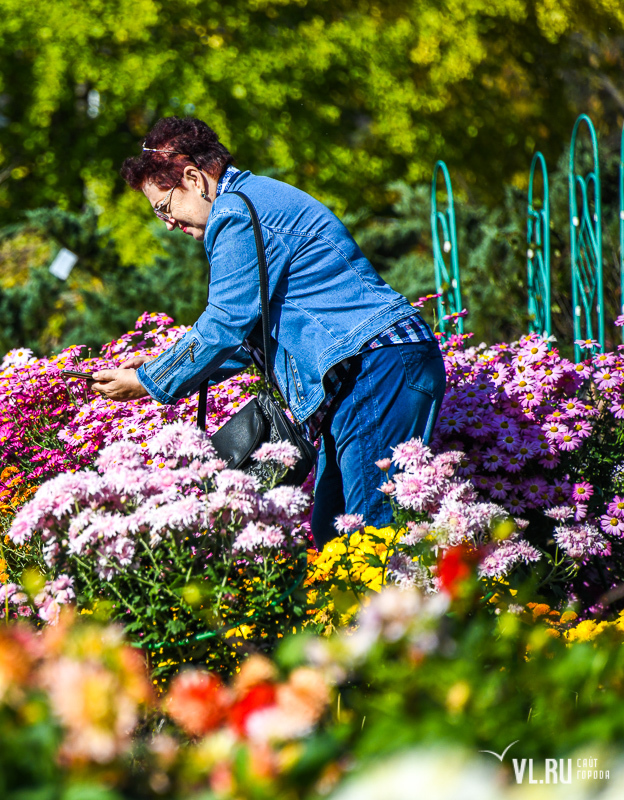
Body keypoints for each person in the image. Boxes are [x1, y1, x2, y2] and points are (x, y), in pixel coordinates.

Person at [90, 116, 446, 546]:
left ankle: (415, 611)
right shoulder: (254, 199)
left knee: (373, 534)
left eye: (165, 207)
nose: (168, 224)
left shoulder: (236, 211)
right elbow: (249, 337)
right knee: (334, 531)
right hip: (376, 366)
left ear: (192, 177)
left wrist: (149, 382)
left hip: (374, 366)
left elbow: (224, 323)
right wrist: (153, 367)